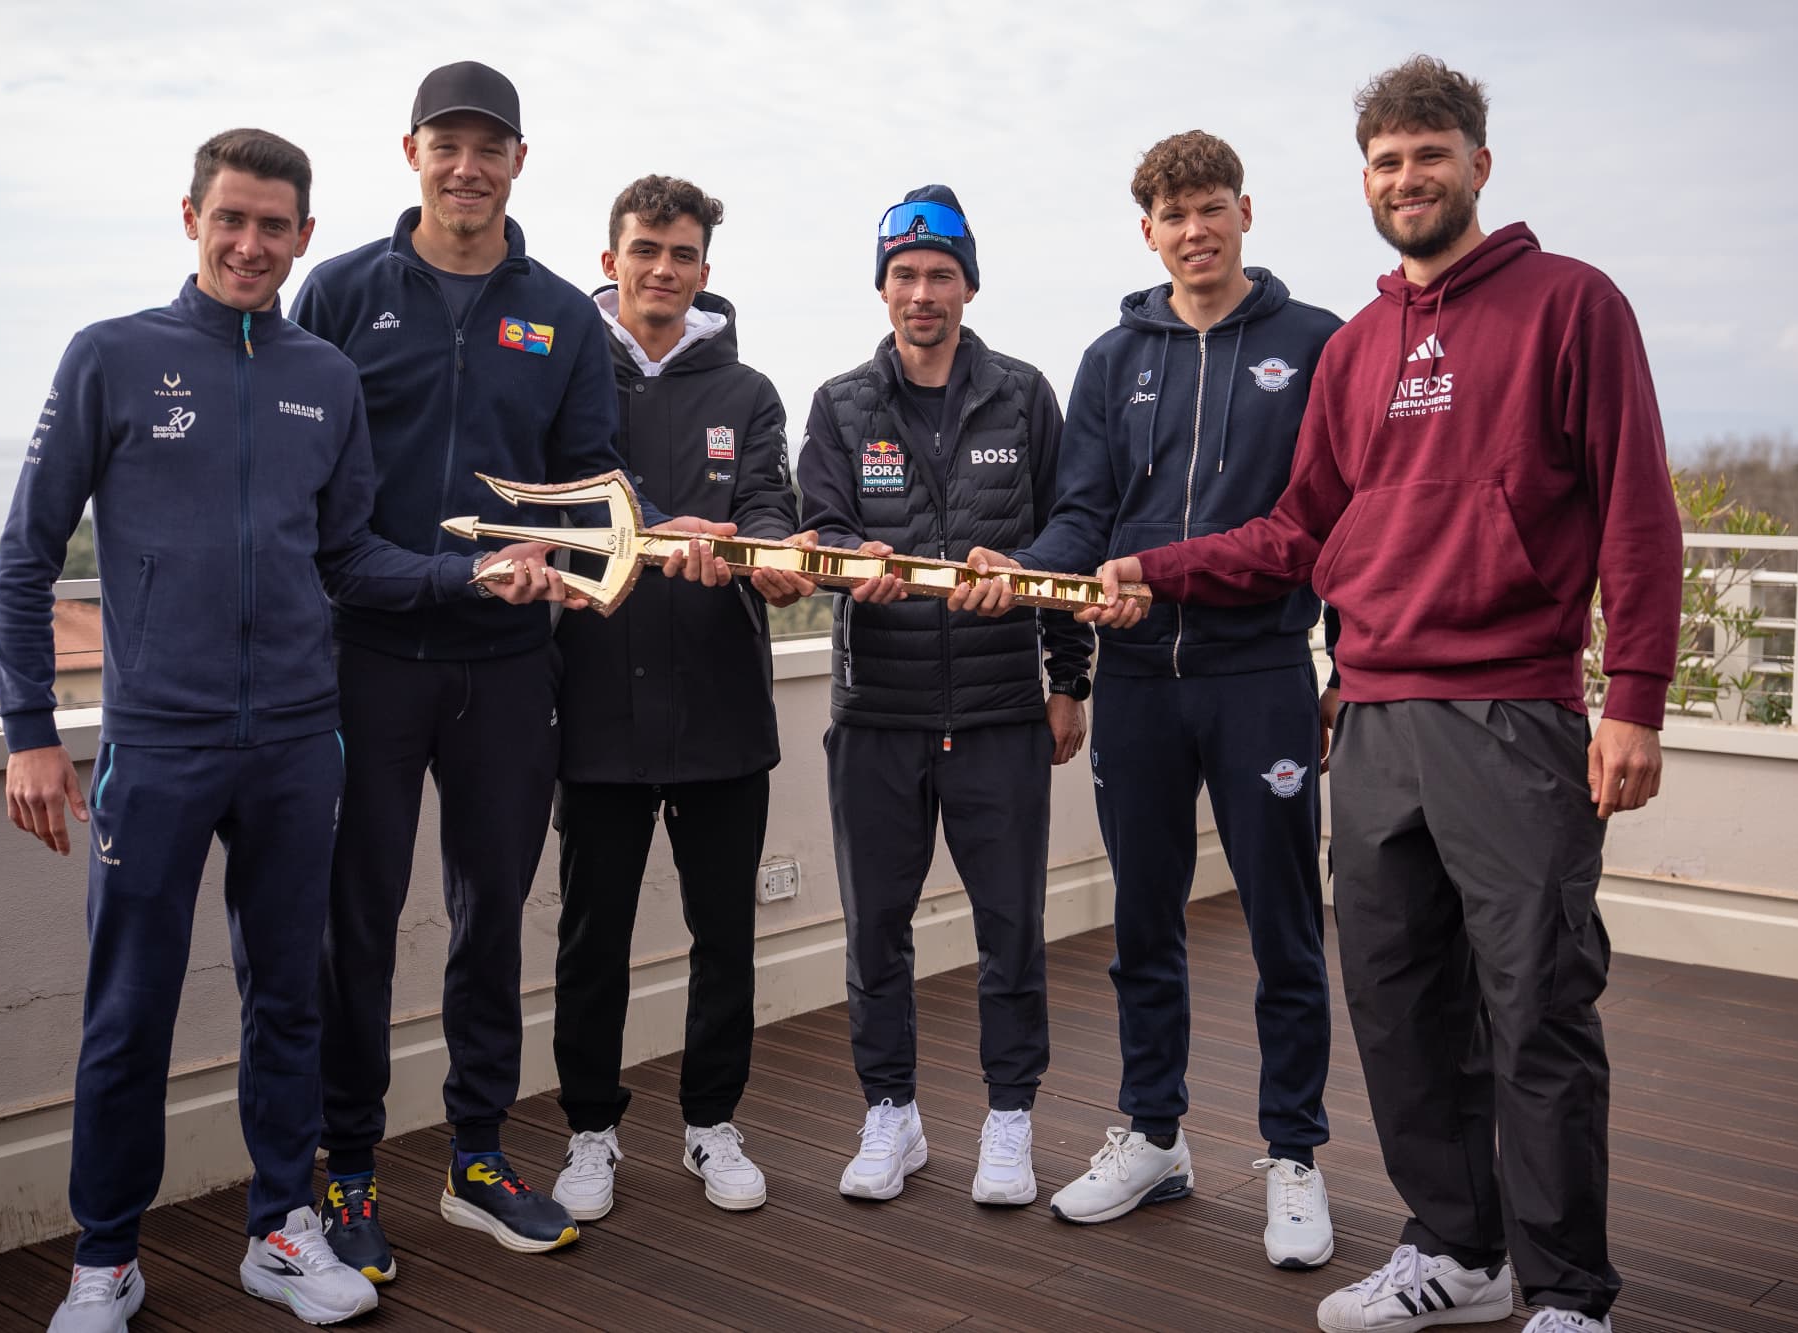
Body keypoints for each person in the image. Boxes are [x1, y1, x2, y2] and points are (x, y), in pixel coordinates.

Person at [1086, 57, 1681, 1333]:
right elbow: (1295, 530)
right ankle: (1456, 1250)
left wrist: (1631, 692)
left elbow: (1636, 506)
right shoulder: (1354, 351)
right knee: (1399, 1005)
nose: (1405, 178)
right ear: (1361, 180)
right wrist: (1150, 565)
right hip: (1366, 717)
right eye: (1383, 160)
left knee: (1533, 1005)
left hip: (1512, 714)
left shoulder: (1570, 305)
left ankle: (1568, 1289)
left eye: (1427, 153)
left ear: (1477, 161)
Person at [0, 128, 556, 1332]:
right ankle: (105, 1259)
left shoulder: (324, 377)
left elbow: (350, 557)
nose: (250, 244)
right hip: (158, 743)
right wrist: (28, 730)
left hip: (301, 742)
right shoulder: (113, 356)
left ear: (304, 236)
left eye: (273, 226)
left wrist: (474, 579)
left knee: (291, 1000)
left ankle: (280, 1229)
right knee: (127, 1007)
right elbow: (25, 558)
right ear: (189, 218)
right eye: (229, 220)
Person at [288, 63, 732, 1273]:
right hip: (368, 657)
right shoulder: (338, 294)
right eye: (448, 144)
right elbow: (302, 483)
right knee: (357, 926)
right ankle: (345, 1174)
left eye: (490, 146)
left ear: (520, 162)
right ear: (412, 151)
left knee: (491, 922)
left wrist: (654, 531)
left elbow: (591, 484)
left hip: (504, 666)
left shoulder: (556, 315)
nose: (467, 166)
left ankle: (475, 1157)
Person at [965, 130, 1343, 1266]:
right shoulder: (1108, 356)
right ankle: (1153, 1132)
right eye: (1170, 215)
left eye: (1209, 208)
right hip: (1135, 681)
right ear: (1147, 231)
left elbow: (1320, 531)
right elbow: (1081, 514)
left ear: (1243, 210)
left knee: (1283, 925)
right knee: (1142, 922)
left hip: (1259, 675)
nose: (1192, 230)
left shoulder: (1313, 344)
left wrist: (1346, 663)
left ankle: (1291, 1154)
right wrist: (1029, 569)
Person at [796, 185, 1093, 1207]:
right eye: (904, 275)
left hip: (1003, 711)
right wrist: (849, 559)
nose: (921, 292)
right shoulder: (839, 403)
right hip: (874, 711)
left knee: (1008, 925)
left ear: (968, 284)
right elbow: (818, 528)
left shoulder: (1022, 393)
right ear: (882, 288)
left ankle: (1008, 1119)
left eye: (940, 274)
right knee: (875, 927)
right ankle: (892, 1113)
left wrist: (1071, 681)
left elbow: (1065, 540)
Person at [546, 175, 814, 1221]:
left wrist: (765, 554)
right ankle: (589, 1131)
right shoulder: (570, 375)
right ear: (610, 257)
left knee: (724, 936)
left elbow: (765, 508)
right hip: (595, 705)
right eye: (645, 249)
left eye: (683, 254)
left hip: (720, 710)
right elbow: (577, 498)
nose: (663, 269)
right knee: (590, 937)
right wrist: (678, 531)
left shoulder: (747, 393)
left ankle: (711, 1124)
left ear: (707, 268)